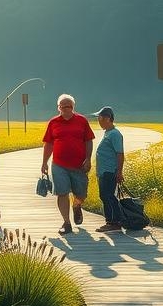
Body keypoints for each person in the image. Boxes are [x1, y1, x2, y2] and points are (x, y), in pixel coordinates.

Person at [41, 94, 95, 235]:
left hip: (79, 165)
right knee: (62, 192)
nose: (66, 109)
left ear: (73, 107)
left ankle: (77, 206)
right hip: (59, 165)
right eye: (63, 106)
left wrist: (88, 158)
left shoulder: (82, 121)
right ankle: (66, 222)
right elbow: (48, 143)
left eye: (69, 106)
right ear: (59, 108)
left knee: (81, 194)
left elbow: (88, 140)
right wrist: (44, 162)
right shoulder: (53, 123)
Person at [92, 106, 125, 233]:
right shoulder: (108, 133)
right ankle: (112, 221)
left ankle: (113, 222)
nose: (98, 121)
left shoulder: (115, 134)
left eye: (99, 118)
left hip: (110, 171)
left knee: (108, 196)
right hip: (104, 171)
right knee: (106, 195)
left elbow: (120, 154)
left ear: (107, 118)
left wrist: (119, 171)